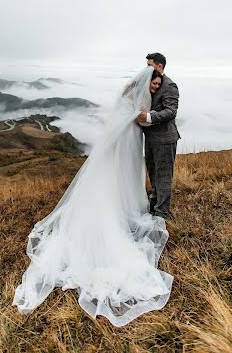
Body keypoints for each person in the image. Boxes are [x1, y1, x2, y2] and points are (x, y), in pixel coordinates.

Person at [13, 66, 173, 327]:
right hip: (120, 147)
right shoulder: (137, 98)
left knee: (115, 186)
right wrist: (144, 117)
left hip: (124, 146)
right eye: (153, 85)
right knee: (111, 188)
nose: (155, 89)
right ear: (146, 81)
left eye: (157, 86)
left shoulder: (131, 94)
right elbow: (138, 119)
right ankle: (114, 216)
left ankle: (121, 209)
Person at [136, 53, 180, 219]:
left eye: (149, 65)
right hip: (150, 138)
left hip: (165, 139)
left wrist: (148, 117)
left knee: (163, 177)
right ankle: (154, 206)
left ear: (159, 66)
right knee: (153, 173)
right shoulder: (149, 81)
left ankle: (161, 214)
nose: (146, 68)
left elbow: (171, 112)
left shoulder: (169, 85)